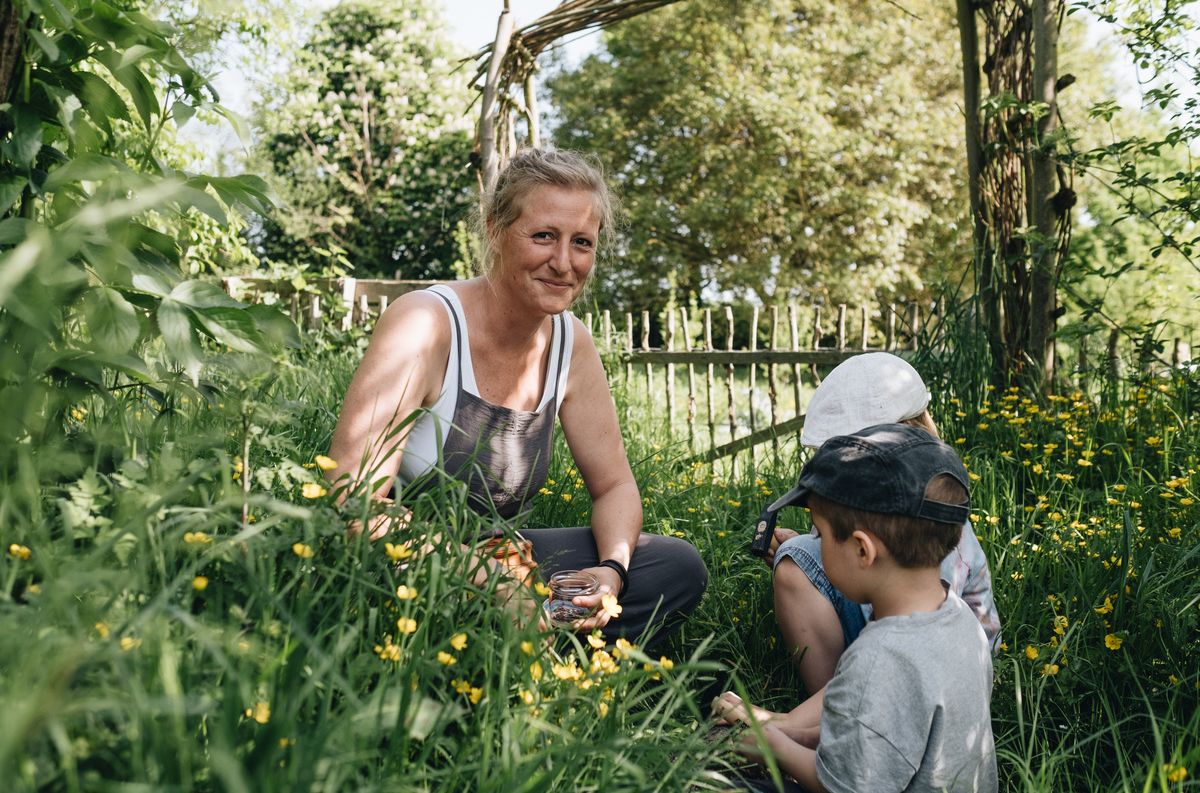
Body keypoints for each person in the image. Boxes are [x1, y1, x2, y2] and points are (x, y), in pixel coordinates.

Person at [324, 147, 707, 648]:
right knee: (470, 602)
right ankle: (520, 653)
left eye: (582, 242)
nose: (564, 262)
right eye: (544, 236)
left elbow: (615, 487)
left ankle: (536, 637)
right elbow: (349, 502)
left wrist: (610, 572)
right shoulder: (426, 324)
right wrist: (485, 576)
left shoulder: (572, 344)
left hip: (504, 566)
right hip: (399, 564)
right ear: (494, 230)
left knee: (674, 566)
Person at [714, 424, 998, 793]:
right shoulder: (962, 623)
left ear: (863, 550)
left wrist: (773, 747)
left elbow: (842, 786)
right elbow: (878, 733)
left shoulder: (878, 659)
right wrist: (788, 731)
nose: (813, 542)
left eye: (818, 532)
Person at [765, 353, 1001, 695]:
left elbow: (921, 640)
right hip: (919, 648)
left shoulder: (925, 542)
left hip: (940, 674)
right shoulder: (911, 501)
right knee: (798, 554)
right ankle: (836, 707)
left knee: (799, 558)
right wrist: (813, 543)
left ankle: (843, 708)